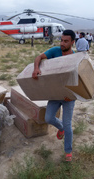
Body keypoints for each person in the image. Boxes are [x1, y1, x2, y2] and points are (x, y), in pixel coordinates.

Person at [32, 29, 76, 162]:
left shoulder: (74, 58)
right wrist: (36, 68)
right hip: (55, 94)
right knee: (49, 118)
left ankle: (68, 151)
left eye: (66, 41)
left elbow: (76, 81)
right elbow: (38, 57)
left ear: (72, 42)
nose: (62, 43)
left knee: (68, 125)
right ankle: (61, 128)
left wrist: (71, 95)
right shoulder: (55, 51)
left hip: (68, 97)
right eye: (61, 40)